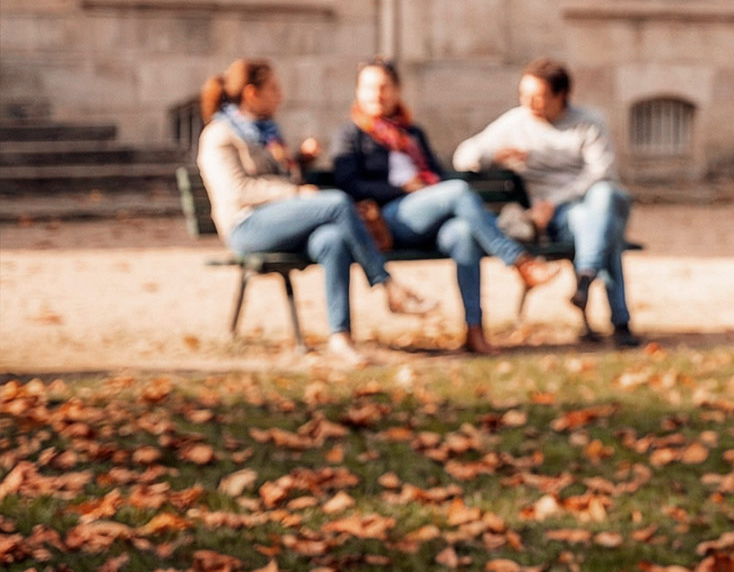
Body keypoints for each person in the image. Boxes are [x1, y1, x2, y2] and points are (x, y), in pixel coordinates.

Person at [195, 58, 433, 366]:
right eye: (273, 89)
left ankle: (341, 338)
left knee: (332, 239)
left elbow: (274, 175)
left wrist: (299, 161)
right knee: (335, 202)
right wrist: (294, 192)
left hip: (280, 221)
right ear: (252, 93)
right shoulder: (220, 135)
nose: (280, 95)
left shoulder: (265, 132)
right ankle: (388, 285)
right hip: (247, 227)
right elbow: (239, 190)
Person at [331, 59, 559, 355]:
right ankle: (519, 262)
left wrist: (427, 188)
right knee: (457, 191)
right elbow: (348, 184)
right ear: (358, 92)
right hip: (388, 218)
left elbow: (437, 175)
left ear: (398, 90)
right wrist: (402, 188)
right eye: (370, 88)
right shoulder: (351, 135)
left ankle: (475, 331)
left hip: (428, 217)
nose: (378, 94)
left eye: (384, 87)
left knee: (463, 234)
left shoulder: (412, 134)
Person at [453, 58, 638, 347]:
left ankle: (587, 272)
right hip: (557, 222)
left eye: (537, 97)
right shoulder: (517, 122)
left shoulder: (588, 123)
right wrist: (491, 156)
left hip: (587, 207)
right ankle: (611, 310)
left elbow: (600, 173)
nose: (528, 103)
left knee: (602, 198)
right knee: (606, 232)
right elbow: (463, 155)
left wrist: (553, 200)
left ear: (561, 95)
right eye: (523, 95)